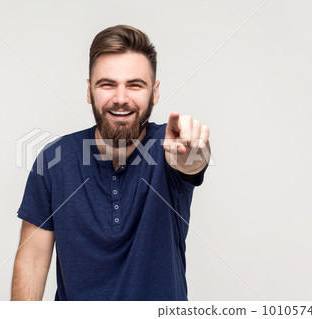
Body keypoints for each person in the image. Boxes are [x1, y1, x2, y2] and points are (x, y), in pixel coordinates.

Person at [11, 24, 211, 301]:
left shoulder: (169, 146)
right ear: (89, 91)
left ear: (154, 92)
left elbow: (190, 163)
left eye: (135, 85)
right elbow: (32, 261)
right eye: (107, 84)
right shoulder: (54, 160)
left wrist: (192, 155)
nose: (120, 99)